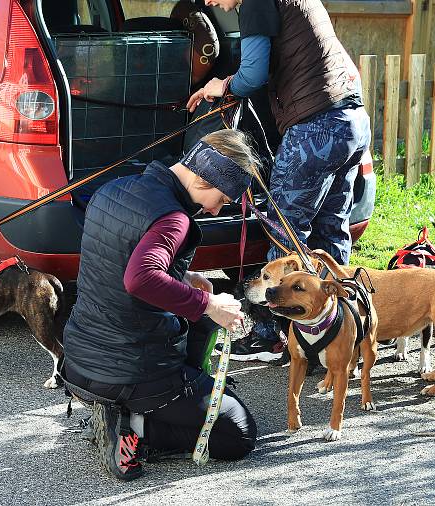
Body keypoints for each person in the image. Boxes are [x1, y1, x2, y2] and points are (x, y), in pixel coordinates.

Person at [61, 130, 259, 481]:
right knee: (238, 432)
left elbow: (116, 263)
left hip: (80, 360)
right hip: (131, 372)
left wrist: (185, 278)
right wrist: (210, 304)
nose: (215, 209)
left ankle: (137, 407)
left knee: (199, 312)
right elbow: (139, 278)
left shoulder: (114, 189)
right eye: (221, 198)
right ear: (201, 178)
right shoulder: (173, 218)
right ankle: (135, 428)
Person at [187, 0, 371, 363]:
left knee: (284, 231)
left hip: (314, 130)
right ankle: (336, 332)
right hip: (352, 120)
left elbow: (253, 73)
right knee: (331, 230)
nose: (208, 1)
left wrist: (222, 85)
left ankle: (272, 335)